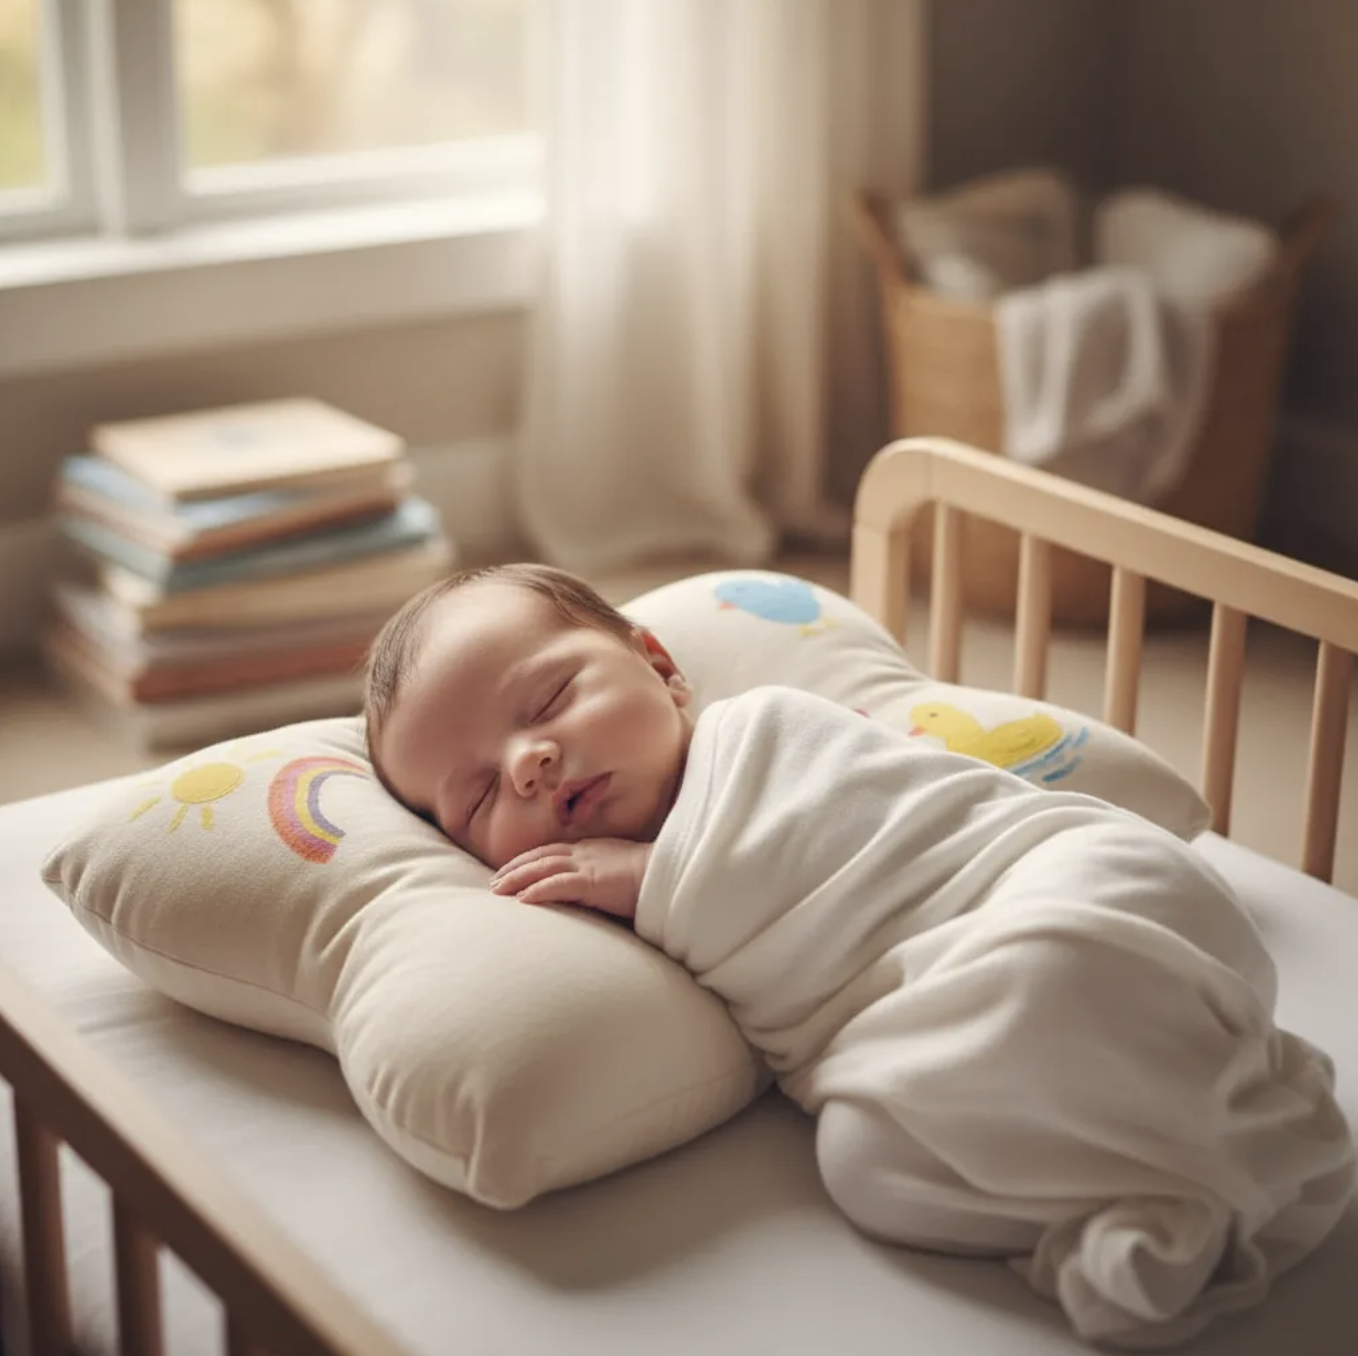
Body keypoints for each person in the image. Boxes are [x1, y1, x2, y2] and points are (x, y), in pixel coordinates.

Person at [364, 562, 1354, 1350]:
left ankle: (1228, 1128)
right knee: (863, 1163)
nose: (527, 762)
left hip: (1060, 887)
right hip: (938, 1007)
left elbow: (845, 831)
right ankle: (1133, 1184)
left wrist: (652, 878)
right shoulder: (570, 911)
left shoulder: (765, 730)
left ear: (660, 666)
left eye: (549, 698)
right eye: (477, 796)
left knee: (1052, 961)